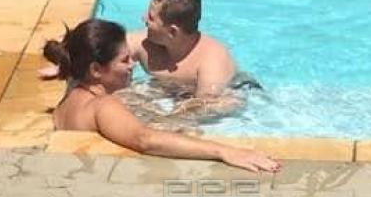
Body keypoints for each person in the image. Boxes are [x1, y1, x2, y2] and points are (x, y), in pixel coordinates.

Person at [46, 19, 279, 171]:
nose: (132, 66)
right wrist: (224, 151)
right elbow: (145, 140)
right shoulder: (101, 106)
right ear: (96, 70)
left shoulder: (72, 96)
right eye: (125, 61)